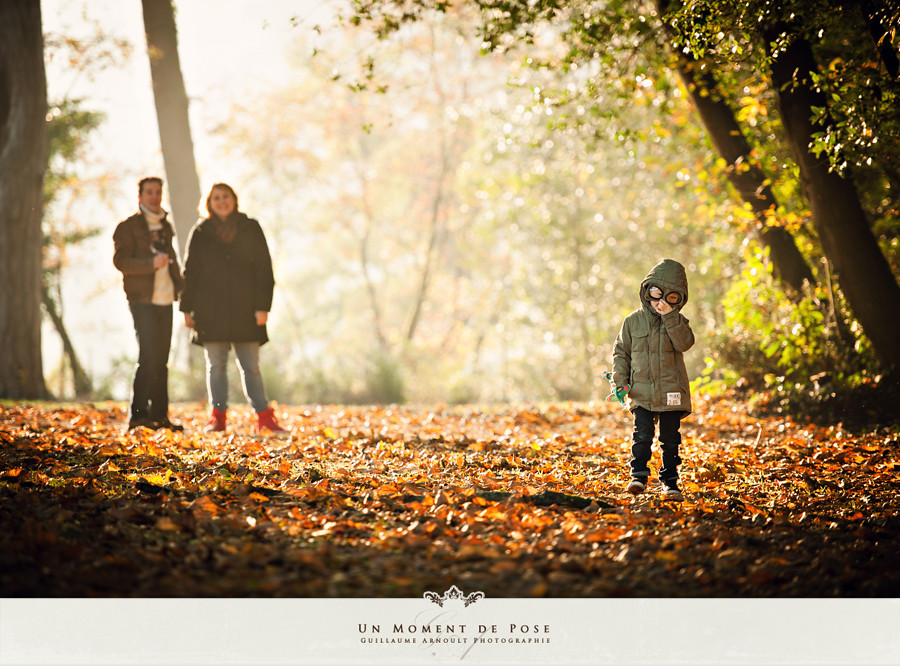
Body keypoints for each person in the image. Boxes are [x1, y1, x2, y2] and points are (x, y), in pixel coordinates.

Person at [180, 183, 286, 433]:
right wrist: (186, 308)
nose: (222, 201)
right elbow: (190, 272)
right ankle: (217, 417)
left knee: (251, 366)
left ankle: (265, 418)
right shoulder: (201, 231)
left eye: (226, 196)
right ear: (209, 203)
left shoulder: (251, 227)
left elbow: (264, 269)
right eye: (216, 198)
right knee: (215, 366)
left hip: (246, 309)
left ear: (234, 200)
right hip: (210, 311)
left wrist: (263, 307)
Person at [611, 258, 695, 501]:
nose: (660, 302)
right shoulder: (632, 321)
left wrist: (670, 317)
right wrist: (620, 382)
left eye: (671, 297)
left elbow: (685, 343)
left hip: (671, 389)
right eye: (656, 293)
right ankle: (638, 475)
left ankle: (670, 482)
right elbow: (621, 352)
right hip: (641, 391)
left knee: (670, 439)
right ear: (646, 291)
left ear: (679, 299)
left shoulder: (678, 322)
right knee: (642, 434)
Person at [113, 176, 185, 431]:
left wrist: (183, 290)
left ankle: (160, 417)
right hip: (142, 300)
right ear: (140, 196)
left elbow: (172, 259)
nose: (154, 196)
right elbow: (121, 262)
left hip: (166, 300)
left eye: (158, 192)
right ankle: (138, 417)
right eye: (150, 192)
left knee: (161, 360)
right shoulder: (128, 227)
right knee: (148, 358)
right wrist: (149, 265)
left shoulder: (165, 226)